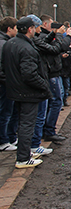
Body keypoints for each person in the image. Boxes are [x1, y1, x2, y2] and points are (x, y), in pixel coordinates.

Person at [1, 17, 51, 168]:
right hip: (28, 92)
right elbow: (29, 74)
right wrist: (44, 85)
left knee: (22, 123)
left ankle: (25, 152)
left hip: (15, 90)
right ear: (30, 29)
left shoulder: (10, 44)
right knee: (27, 124)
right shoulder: (26, 48)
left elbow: (5, 67)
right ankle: (23, 157)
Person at [0, 17, 18, 152]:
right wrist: (9, 81)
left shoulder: (5, 42)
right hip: (5, 84)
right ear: (9, 29)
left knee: (8, 111)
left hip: (6, 82)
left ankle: (9, 137)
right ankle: (3, 140)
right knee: (5, 112)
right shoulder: (3, 44)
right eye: (15, 28)